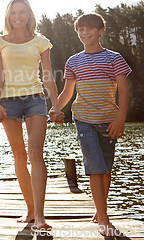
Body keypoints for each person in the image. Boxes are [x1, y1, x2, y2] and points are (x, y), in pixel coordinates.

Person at [50, 13, 131, 237]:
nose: (84, 34)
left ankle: (100, 209)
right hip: (83, 119)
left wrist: (120, 118)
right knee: (95, 168)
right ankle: (104, 219)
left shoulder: (114, 58)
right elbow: (68, 92)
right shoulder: (73, 61)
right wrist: (56, 108)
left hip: (109, 120)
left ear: (100, 31)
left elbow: (123, 90)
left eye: (89, 29)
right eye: (80, 30)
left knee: (105, 169)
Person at [0, 0, 63, 232]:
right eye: (13, 13)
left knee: (35, 154)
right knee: (19, 155)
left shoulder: (41, 42)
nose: (17, 16)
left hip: (35, 99)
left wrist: (57, 105)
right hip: (9, 102)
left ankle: (40, 215)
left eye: (22, 12)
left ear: (29, 15)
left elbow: (48, 74)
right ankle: (30, 209)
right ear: (8, 16)